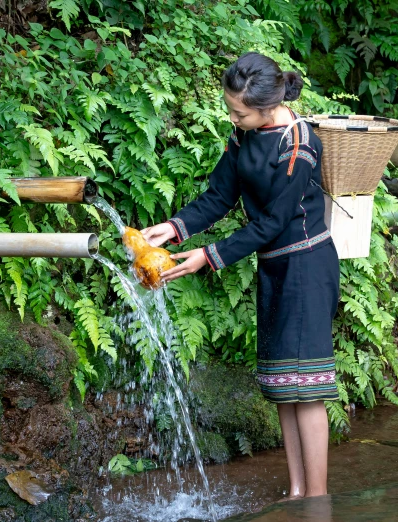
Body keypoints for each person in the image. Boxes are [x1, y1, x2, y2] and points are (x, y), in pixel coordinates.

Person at [141, 52, 340, 500]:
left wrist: (208, 256)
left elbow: (272, 221)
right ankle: (295, 491)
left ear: (268, 108)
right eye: (232, 109)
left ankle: (318, 500)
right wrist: (173, 229)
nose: (232, 118)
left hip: (307, 266)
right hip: (273, 266)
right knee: (283, 386)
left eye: (239, 112)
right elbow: (219, 195)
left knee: (306, 388)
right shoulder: (243, 135)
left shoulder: (299, 144)